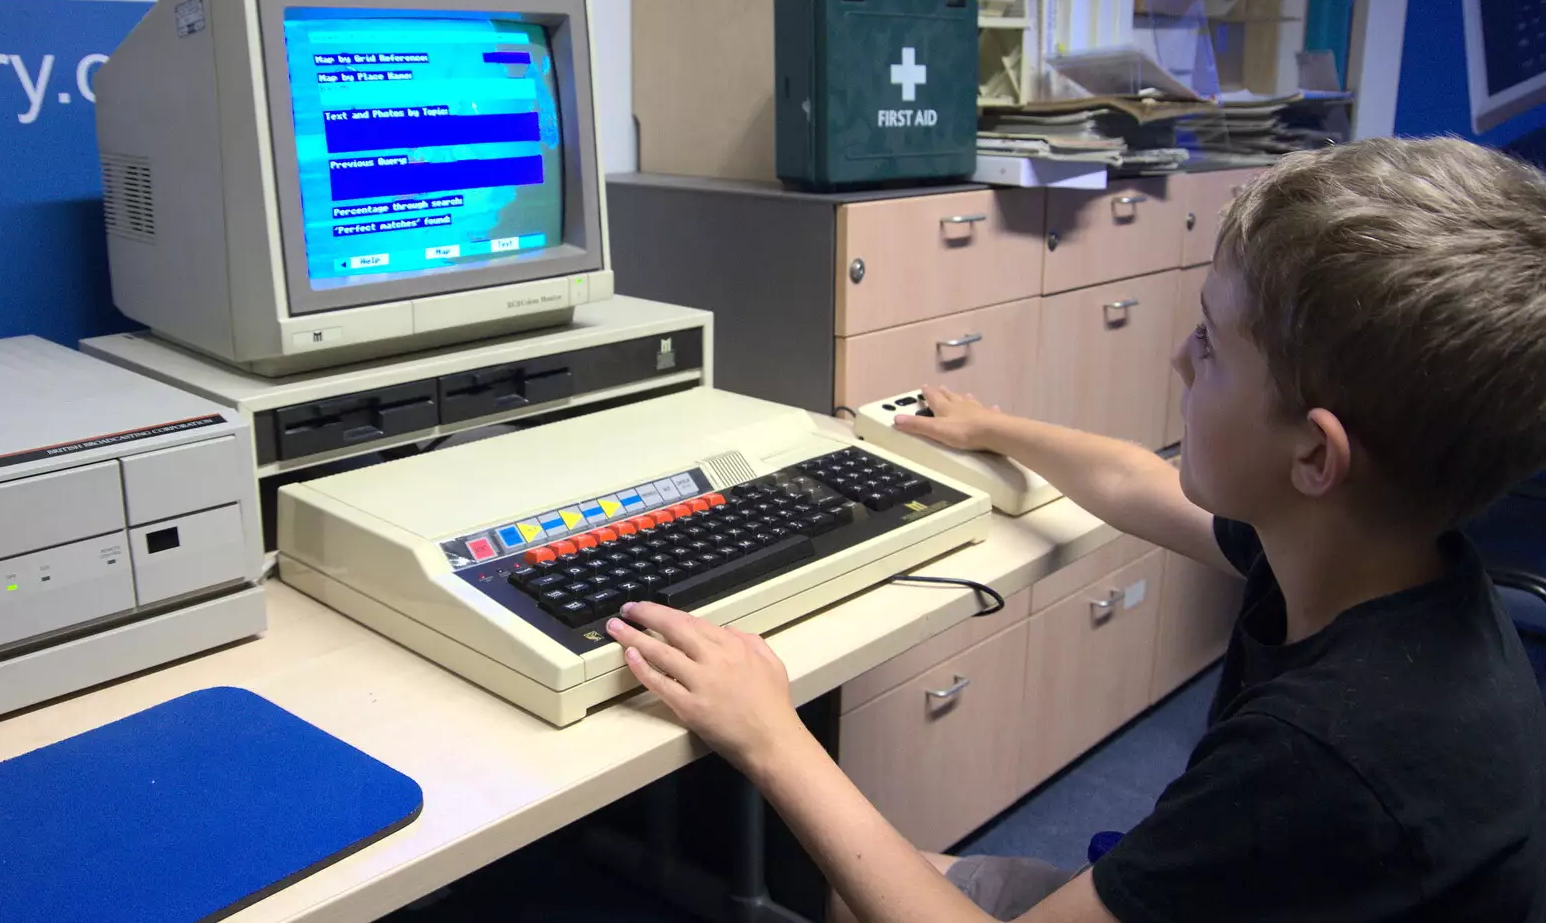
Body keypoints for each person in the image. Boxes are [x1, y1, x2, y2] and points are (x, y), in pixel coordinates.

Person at [607, 137, 1546, 922]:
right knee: (879, 886)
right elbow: (1139, 481)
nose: (1180, 356)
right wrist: (992, 428)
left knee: (881, 880)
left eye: (1211, 343)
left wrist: (770, 733)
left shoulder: (1326, 753)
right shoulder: (1372, 552)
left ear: (1314, 454)